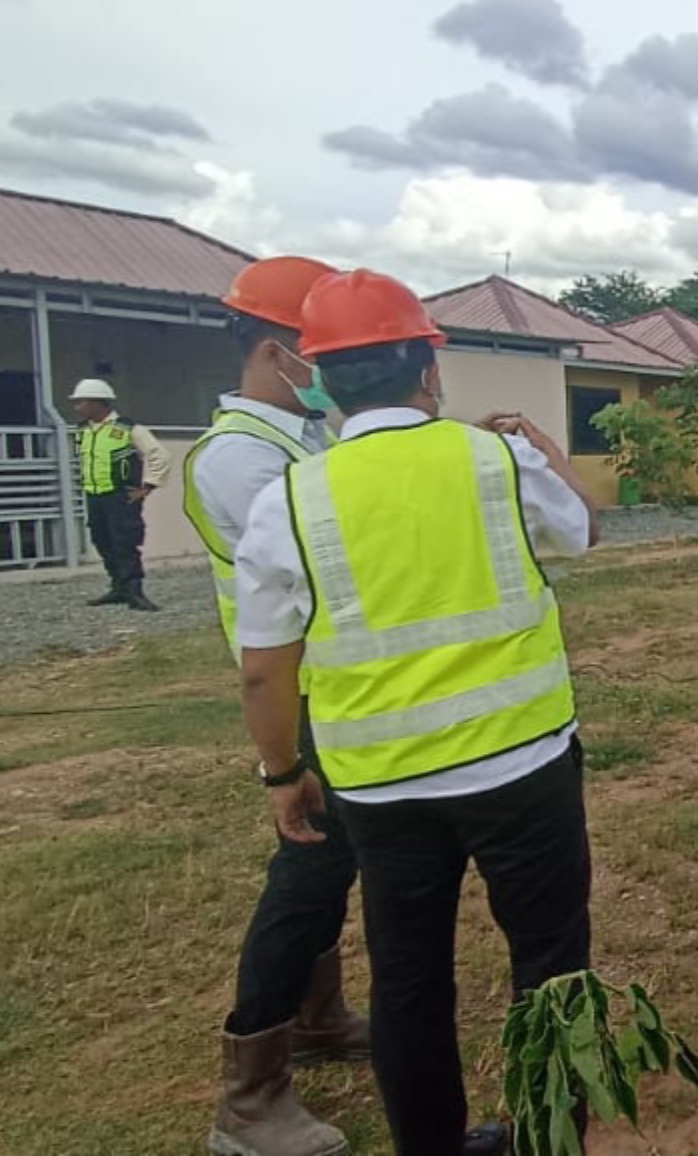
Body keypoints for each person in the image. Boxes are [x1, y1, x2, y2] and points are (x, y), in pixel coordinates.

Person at [232, 269, 601, 1155]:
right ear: (429, 371)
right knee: (550, 966)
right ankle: (551, 1139)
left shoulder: (290, 498)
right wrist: (534, 445)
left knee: (407, 978)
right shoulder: (494, 460)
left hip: (381, 787)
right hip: (525, 767)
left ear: (321, 380)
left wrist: (284, 773)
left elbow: (263, 669)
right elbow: (580, 528)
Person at [186, 256, 369, 1156]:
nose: (338, 368)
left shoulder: (303, 443)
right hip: (298, 702)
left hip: (336, 692)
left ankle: (319, 1016)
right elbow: (336, 566)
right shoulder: (238, 460)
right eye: (325, 350)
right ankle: (250, 1097)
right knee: (305, 878)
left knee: (329, 873)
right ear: (276, 350)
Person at [70, 377, 169, 610]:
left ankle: (134, 590)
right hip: (95, 495)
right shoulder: (83, 430)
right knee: (101, 539)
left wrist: (148, 486)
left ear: (98, 403)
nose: (77, 407)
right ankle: (118, 587)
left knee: (125, 541)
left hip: (120, 496)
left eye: (82, 402)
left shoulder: (127, 428)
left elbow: (160, 455)